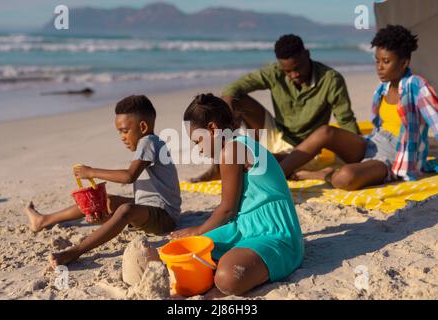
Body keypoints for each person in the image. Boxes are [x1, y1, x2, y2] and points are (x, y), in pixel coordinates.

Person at [24, 95, 181, 268]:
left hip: (164, 216)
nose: (121, 137)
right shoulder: (151, 142)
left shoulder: (148, 142)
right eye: (119, 132)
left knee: (125, 210)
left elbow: (129, 176)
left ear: (142, 126)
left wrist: (91, 172)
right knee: (104, 201)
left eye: (124, 130)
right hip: (152, 207)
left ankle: (75, 252)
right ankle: (43, 220)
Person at [171, 93, 304, 296]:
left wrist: (198, 231)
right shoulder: (237, 144)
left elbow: (227, 209)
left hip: (275, 234)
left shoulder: (233, 150)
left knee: (227, 276)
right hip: (244, 227)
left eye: (198, 141)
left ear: (212, 129)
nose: (198, 149)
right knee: (184, 250)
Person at [279, 25, 438, 190]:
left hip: (395, 156)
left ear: (404, 62)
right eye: (377, 61)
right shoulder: (383, 87)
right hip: (372, 143)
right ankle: (277, 175)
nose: (379, 67)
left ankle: (321, 174)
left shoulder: (417, 86)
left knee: (345, 177)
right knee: (325, 132)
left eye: (386, 61)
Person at [191, 34, 360, 182]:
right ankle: (220, 163)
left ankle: (261, 162)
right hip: (276, 133)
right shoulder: (275, 72)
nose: (294, 75)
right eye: (288, 71)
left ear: (307, 55)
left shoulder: (330, 79)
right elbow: (232, 89)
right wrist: (225, 122)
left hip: (304, 147)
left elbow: (346, 120)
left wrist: (358, 150)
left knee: (263, 162)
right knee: (237, 98)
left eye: (298, 68)